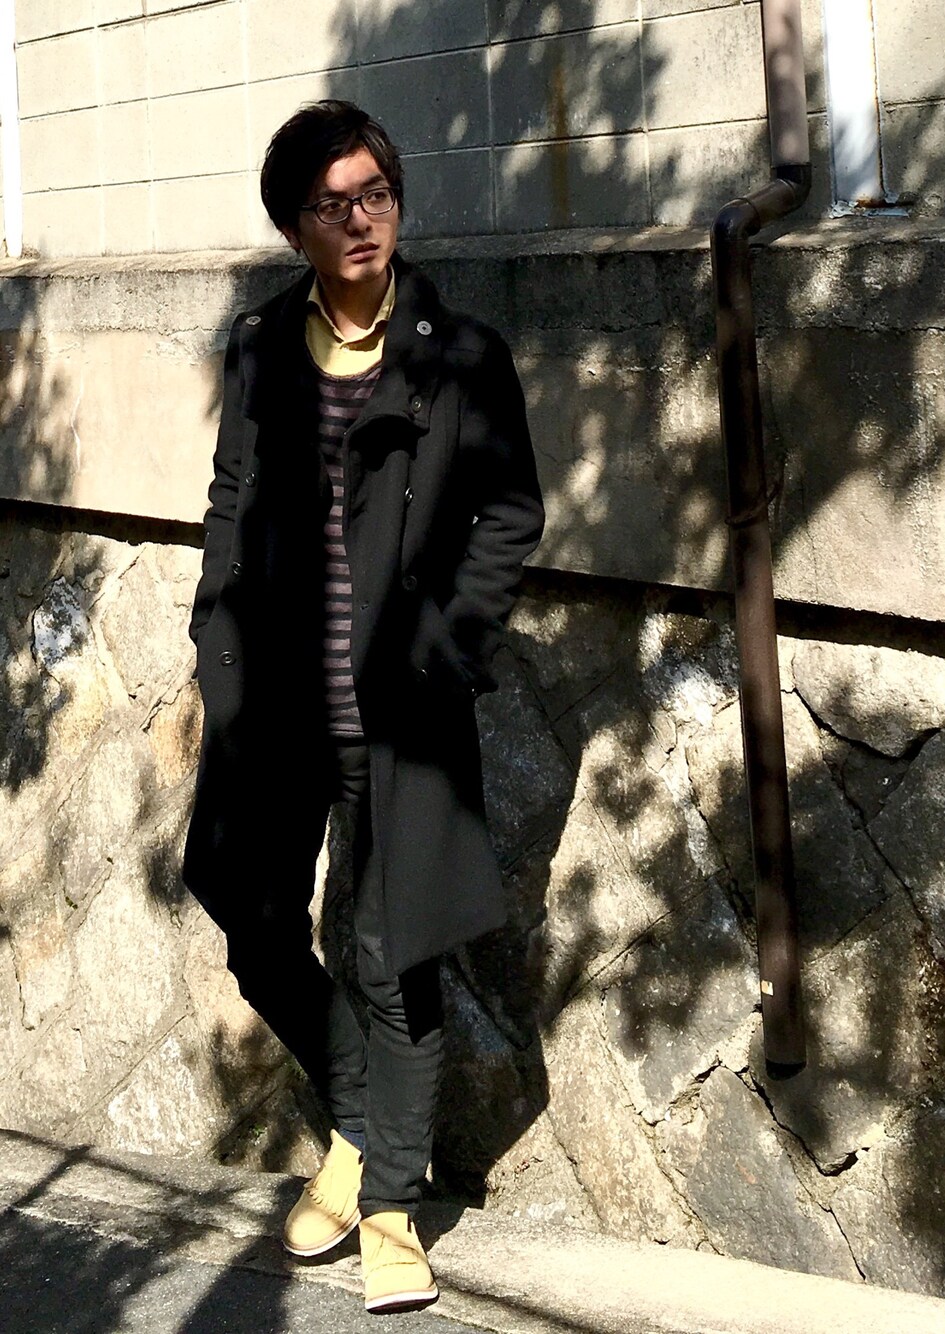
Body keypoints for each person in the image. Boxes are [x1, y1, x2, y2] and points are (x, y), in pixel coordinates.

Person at [181, 100, 543, 1314]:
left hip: (400, 711)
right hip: (276, 707)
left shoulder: (459, 354)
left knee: (393, 953)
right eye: (332, 203)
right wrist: (213, 633)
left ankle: (387, 1197)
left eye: (375, 192)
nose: (360, 219)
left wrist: (448, 641)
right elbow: (230, 496)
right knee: (248, 910)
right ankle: (355, 1115)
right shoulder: (260, 349)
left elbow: (510, 512)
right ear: (294, 226)